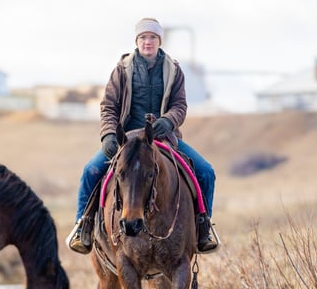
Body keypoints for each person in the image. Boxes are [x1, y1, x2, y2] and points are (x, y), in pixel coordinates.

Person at [66, 17, 219, 255]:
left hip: (163, 139)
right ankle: (82, 226)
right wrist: (108, 135)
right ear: (137, 41)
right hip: (126, 140)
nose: (148, 42)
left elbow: (180, 105)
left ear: (159, 41)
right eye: (143, 37)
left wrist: (168, 121)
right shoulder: (122, 70)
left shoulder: (173, 69)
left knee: (206, 172)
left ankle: (203, 228)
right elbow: (108, 106)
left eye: (153, 37)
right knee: (90, 171)